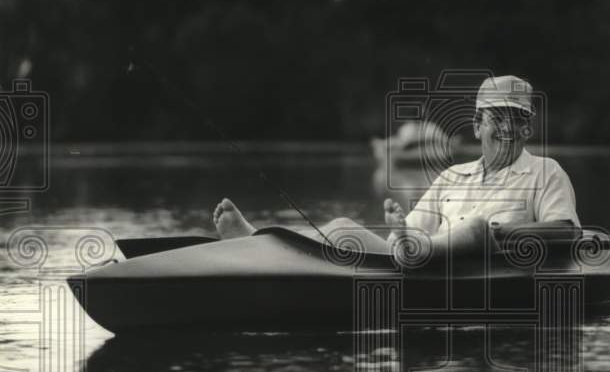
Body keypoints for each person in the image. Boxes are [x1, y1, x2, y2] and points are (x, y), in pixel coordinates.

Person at [212, 75, 581, 262]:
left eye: (515, 120)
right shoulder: (453, 176)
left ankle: (430, 252)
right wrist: (404, 236)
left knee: (478, 226)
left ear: (527, 129)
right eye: (496, 118)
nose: (506, 128)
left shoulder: (547, 172)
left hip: (484, 267)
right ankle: (257, 240)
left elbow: (567, 233)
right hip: (419, 260)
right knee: (343, 227)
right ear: (477, 125)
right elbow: (403, 239)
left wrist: (501, 233)